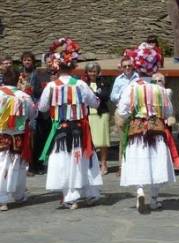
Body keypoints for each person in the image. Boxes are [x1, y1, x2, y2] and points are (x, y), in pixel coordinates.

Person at [38, 37, 103, 210]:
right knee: (83, 158)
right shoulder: (81, 84)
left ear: (56, 66)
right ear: (72, 65)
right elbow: (95, 103)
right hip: (80, 127)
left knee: (64, 160)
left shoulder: (51, 86)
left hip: (60, 127)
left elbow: (43, 107)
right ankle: (90, 193)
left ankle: (70, 196)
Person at [116, 42, 178, 213]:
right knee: (156, 162)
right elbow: (168, 112)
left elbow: (123, 110)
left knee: (138, 161)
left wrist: (127, 118)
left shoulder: (132, 88)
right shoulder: (160, 90)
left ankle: (140, 190)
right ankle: (155, 199)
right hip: (157, 130)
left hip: (137, 130)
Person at [0, 68, 37, 211]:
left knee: (1, 165)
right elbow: (33, 114)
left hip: (1, 134)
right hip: (18, 136)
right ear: (17, 80)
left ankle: (2, 199)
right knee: (18, 166)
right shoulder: (24, 96)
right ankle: (19, 195)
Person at [110, 56, 139, 176]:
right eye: (125, 66)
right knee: (123, 140)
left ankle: (135, 166)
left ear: (133, 66)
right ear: (121, 68)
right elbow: (112, 97)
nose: (127, 68)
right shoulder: (118, 79)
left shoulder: (138, 78)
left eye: (129, 66)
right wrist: (124, 94)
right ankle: (122, 166)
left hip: (136, 112)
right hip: (122, 112)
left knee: (136, 139)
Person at [83, 62, 111, 175]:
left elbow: (105, 96)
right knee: (90, 140)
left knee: (103, 140)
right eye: (90, 71)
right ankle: (92, 163)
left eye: (94, 71)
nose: (92, 73)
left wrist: (92, 93)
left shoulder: (104, 82)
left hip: (101, 114)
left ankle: (104, 163)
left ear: (98, 72)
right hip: (88, 114)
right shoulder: (84, 83)